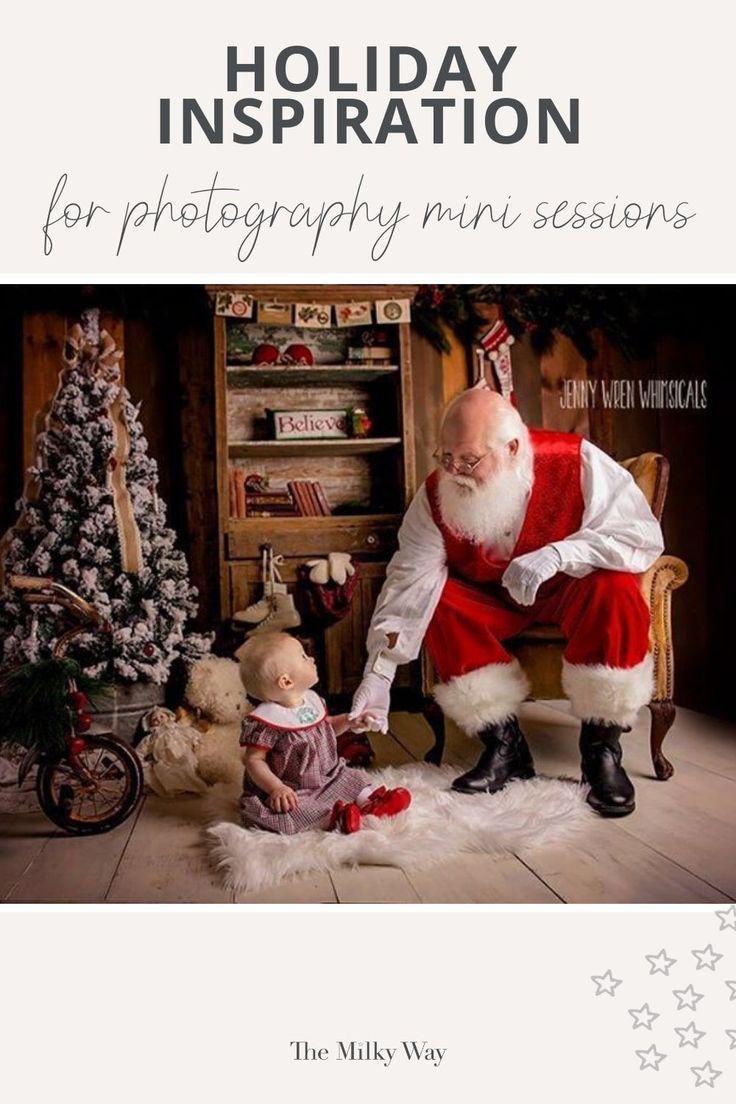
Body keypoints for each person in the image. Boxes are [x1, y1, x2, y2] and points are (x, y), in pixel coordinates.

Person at [349, 389, 664, 817]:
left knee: (616, 587)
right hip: (492, 599)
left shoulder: (577, 460)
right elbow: (409, 580)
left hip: (569, 589)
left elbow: (639, 537)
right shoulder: (436, 494)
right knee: (434, 597)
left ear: (512, 448)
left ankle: (601, 749)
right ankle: (505, 745)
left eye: (469, 459)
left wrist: (558, 554)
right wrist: (379, 673)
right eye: (446, 457)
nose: (455, 471)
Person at [236, 632, 411, 834]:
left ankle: (373, 804)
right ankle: (338, 817)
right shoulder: (267, 722)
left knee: (355, 779)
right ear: (286, 682)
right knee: (294, 810)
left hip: (330, 775)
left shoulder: (311, 701)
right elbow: (254, 760)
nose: (311, 659)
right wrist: (276, 788)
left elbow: (326, 727)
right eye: (303, 657)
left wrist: (349, 721)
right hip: (295, 788)